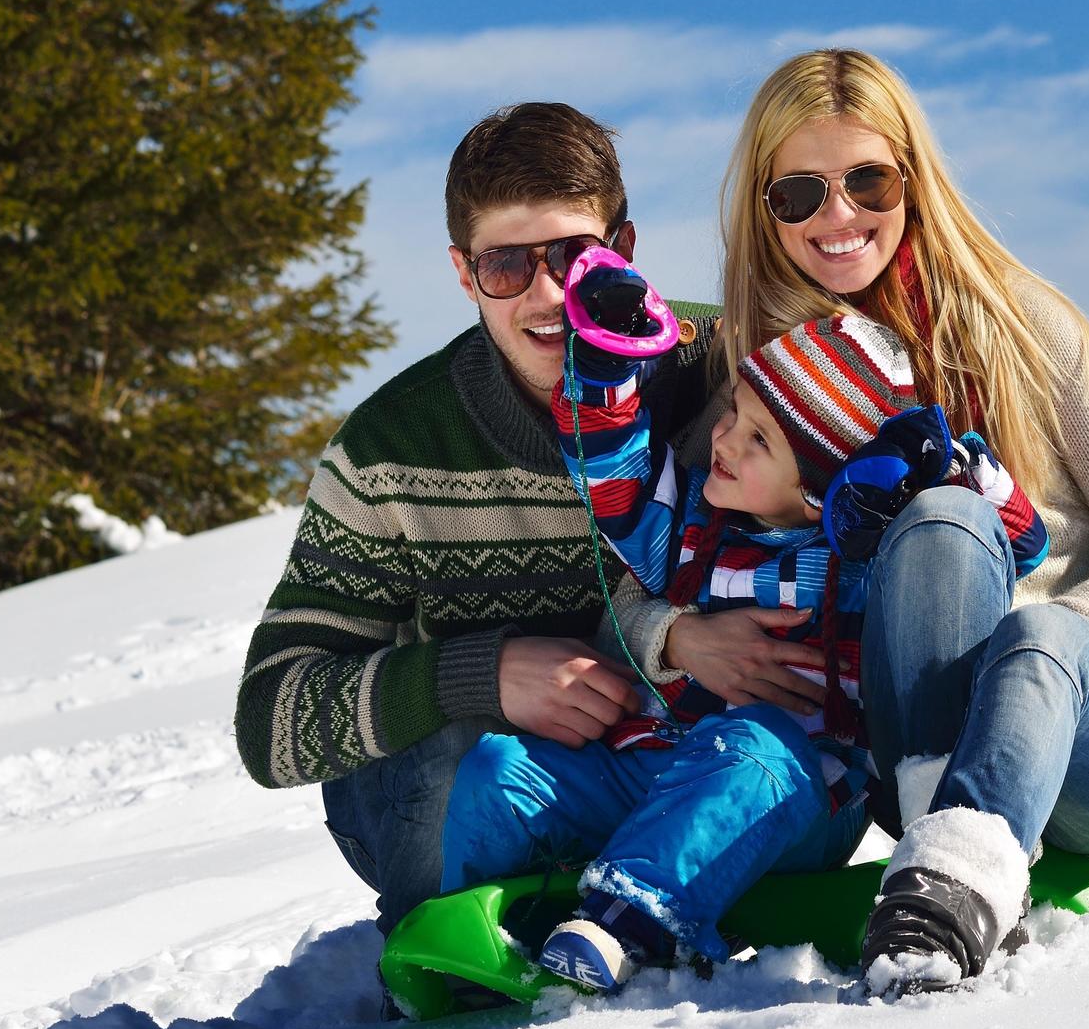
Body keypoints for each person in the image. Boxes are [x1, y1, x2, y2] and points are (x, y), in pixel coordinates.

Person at [717, 49, 1089, 993]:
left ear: (913, 178)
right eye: (799, 195)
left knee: (1012, 601)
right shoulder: (757, 375)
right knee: (936, 519)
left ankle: (963, 858)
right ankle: (949, 874)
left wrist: (1041, 675)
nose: (839, 216)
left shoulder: (1019, 324)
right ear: (762, 208)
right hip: (919, 763)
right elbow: (664, 545)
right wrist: (673, 635)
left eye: (867, 181)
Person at [438, 251, 1048, 990]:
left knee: (752, 741)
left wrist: (947, 466)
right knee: (500, 769)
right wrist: (603, 371)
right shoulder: (696, 529)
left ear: (831, 487)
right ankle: (472, 932)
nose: (722, 439)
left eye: (758, 440)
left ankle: (634, 922)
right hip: (657, 768)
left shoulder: (864, 563)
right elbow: (615, 477)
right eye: (734, 412)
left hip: (788, 799)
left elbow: (1017, 544)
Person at [229, 103, 717, 930]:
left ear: (623, 250)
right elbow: (270, 722)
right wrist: (477, 676)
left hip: (662, 764)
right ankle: (456, 964)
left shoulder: (718, 370)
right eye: (506, 266)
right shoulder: (392, 448)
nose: (550, 293)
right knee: (468, 752)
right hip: (446, 786)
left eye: (574, 255)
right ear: (464, 274)